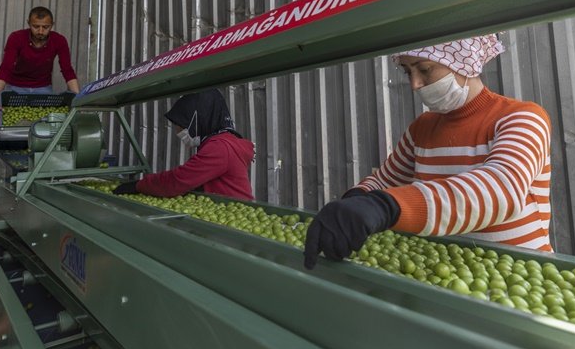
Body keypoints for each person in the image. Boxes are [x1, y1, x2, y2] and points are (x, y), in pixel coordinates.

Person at [303, 35, 552, 269]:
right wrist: (355, 201)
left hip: (522, 277)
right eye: (407, 71)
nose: (415, 84)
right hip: (447, 273)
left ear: (461, 60)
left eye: (424, 69)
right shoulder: (422, 128)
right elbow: (384, 181)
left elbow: (500, 189)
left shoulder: (521, 118)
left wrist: (386, 207)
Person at [113, 89, 255, 200]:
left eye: (181, 125)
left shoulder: (220, 147)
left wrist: (139, 185)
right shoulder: (225, 141)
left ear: (199, 119)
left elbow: (178, 181)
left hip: (231, 216)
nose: (178, 131)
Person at [0, 6, 80, 122]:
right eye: (36, 26)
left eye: (45, 27)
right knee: (11, 120)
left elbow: (67, 70)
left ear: (52, 25)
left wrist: (78, 97)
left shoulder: (59, 40)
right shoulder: (16, 38)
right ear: (29, 23)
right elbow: (5, 68)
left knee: (43, 126)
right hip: (16, 88)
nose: (41, 31)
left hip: (43, 89)